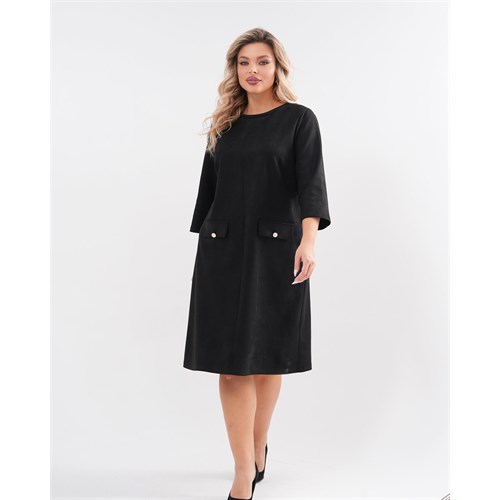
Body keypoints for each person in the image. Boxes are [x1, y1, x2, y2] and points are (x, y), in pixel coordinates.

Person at [183, 27, 332, 500]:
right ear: (234, 69)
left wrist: (309, 241)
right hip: (223, 252)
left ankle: (258, 445)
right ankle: (243, 470)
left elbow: (311, 184)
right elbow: (209, 194)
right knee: (230, 366)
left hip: (277, 251)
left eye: (262, 61)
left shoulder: (299, 120)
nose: (252, 70)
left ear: (277, 67)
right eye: (243, 62)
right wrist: (207, 246)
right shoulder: (224, 126)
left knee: (268, 357)